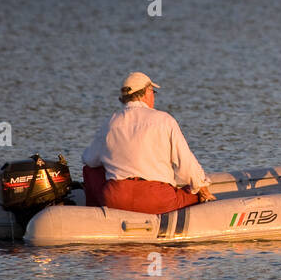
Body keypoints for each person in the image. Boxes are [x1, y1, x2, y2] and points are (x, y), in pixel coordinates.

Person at [81, 71, 215, 214]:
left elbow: (89, 160)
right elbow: (186, 164)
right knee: (194, 195)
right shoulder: (164, 120)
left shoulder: (110, 123)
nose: (153, 97)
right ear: (147, 92)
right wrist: (202, 189)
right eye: (153, 92)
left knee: (90, 171)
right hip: (156, 199)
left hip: (116, 199)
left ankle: (95, 217)